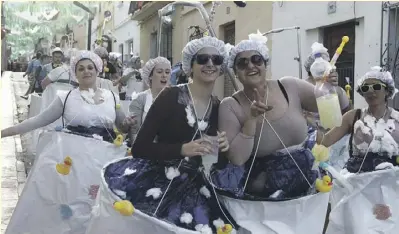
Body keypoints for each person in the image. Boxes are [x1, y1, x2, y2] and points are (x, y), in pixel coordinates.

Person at [103, 37, 235, 232]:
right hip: (158, 181)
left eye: (216, 60)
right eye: (203, 59)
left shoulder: (218, 106)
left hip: (195, 189)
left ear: (221, 66)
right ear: (190, 65)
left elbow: (214, 160)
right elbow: (139, 148)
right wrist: (181, 149)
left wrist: (223, 148)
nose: (209, 64)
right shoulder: (170, 96)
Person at [211, 31, 349, 200]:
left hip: (309, 185)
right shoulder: (230, 106)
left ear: (265, 64)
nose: (250, 66)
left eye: (256, 59)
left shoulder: (289, 87)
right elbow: (237, 158)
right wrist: (251, 119)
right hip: (266, 196)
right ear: (236, 71)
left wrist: (330, 86)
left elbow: (336, 107)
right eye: (242, 63)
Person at [1, 50, 135, 142]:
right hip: (71, 164)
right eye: (81, 69)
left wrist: (128, 124)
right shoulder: (66, 98)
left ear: (97, 70)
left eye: (90, 67)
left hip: (103, 161)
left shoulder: (112, 97)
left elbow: (122, 127)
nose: (86, 71)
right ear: (75, 74)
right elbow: (38, 121)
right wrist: (4, 133)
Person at [316, 66, 399, 173]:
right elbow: (326, 140)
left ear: (387, 91)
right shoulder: (353, 116)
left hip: (393, 184)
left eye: (377, 86)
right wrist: (303, 125)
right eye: (365, 88)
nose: (370, 91)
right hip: (360, 184)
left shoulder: (397, 118)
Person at [127, 56, 171, 145]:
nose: (164, 75)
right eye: (159, 72)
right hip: (147, 151)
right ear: (150, 76)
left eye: (167, 72)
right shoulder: (140, 99)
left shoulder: (178, 97)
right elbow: (135, 133)